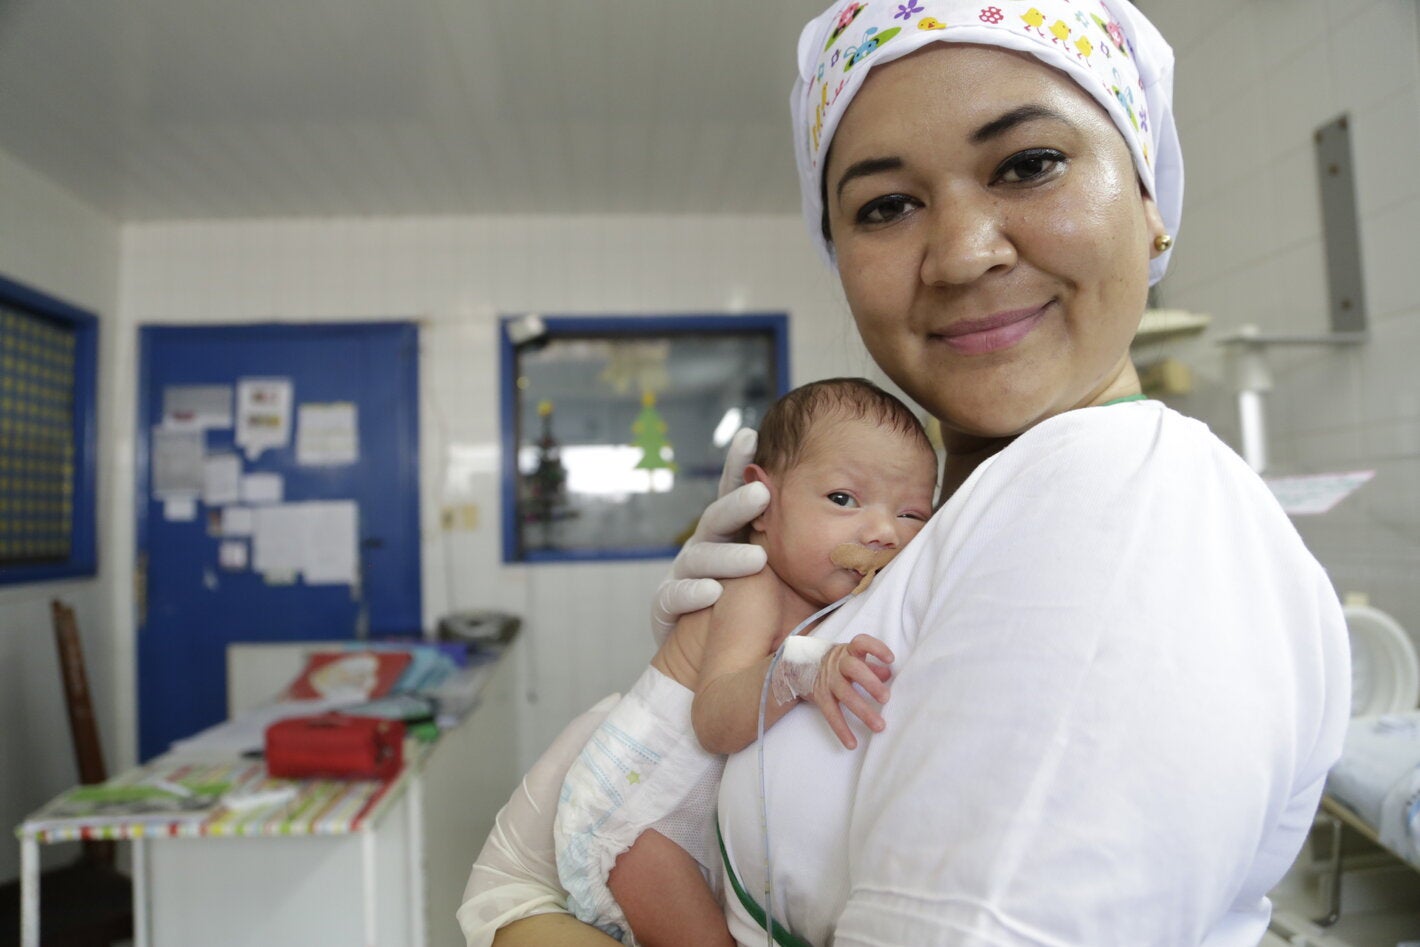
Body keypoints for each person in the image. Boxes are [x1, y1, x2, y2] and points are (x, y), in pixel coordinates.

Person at [464, 1, 1351, 944]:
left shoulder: (1117, 503)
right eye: (886, 205)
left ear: (1149, 198)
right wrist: (703, 671)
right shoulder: (965, 522)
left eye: (1029, 163)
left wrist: (521, 915)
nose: (965, 254)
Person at [470, 378, 938, 947]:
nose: (884, 533)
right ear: (762, 505)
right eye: (843, 499)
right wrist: (803, 670)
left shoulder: (841, 600)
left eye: (913, 514)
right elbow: (715, 721)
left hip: (684, 824)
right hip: (639, 822)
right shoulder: (753, 583)